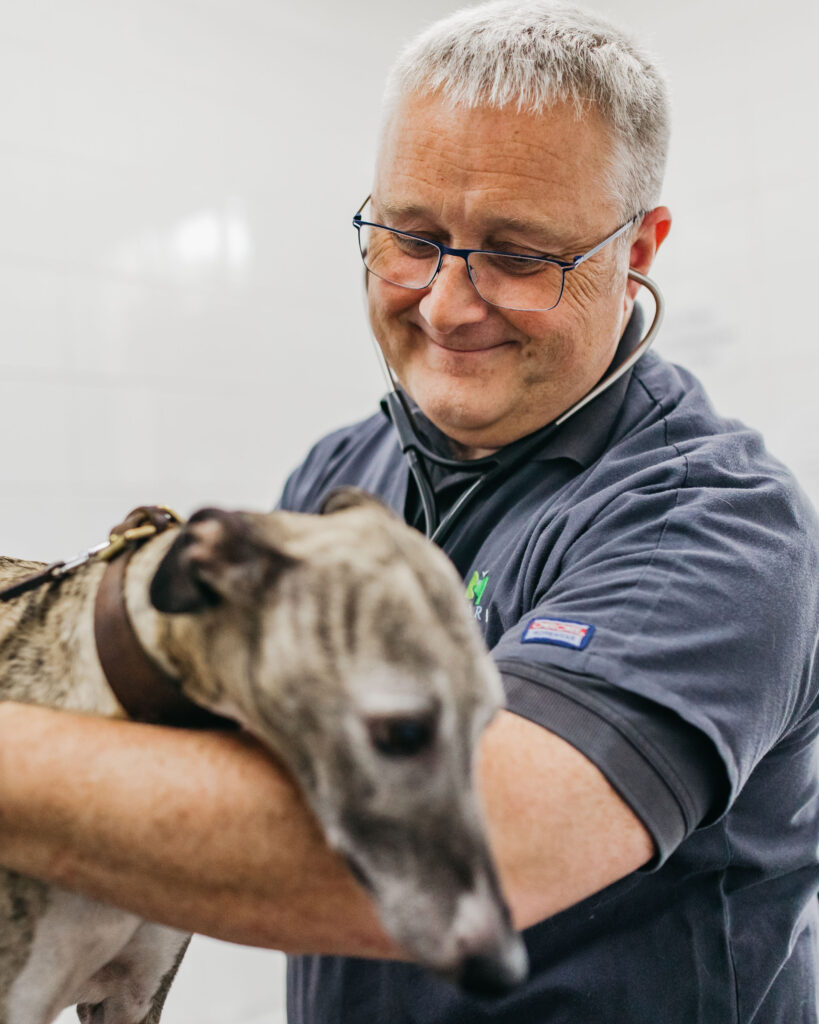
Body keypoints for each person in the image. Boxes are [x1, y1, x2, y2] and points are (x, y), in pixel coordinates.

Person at [0, 2, 816, 1022]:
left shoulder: (715, 529)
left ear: (638, 249)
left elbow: (461, 857)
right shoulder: (343, 473)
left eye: (519, 256)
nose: (444, 304)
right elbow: (234, 763)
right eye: (410, 236)